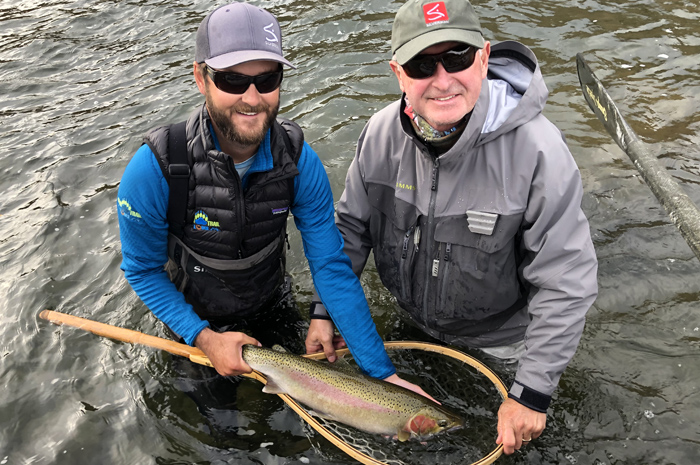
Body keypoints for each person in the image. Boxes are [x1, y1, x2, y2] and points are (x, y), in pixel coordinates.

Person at [307, 0, 599, 455]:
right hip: (411, 320)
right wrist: (324, 311)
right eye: (422, 64)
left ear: (483, 58)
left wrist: (531, 394)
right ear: (398, 73)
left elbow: (566, 281)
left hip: (500, 346)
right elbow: (349, 232)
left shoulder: (540, 152)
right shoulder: (380, 134)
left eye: (457, 58)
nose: (443, 80)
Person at [117, 1, 425, 407]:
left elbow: (330, 267)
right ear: (200, 77)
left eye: (267, 79)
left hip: (271, 300)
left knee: (289, 422)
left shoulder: (299, 161)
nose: (251, 97)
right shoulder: (155, 167)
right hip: (196, 317)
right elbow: (141, 270)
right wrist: (204, 337)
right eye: (230, 80)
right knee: (222, 432)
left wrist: (382, 375)